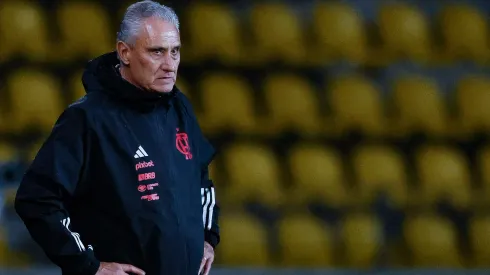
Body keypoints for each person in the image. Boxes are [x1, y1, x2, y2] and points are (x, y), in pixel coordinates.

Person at [14, 1, 220, 275]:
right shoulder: (87, 118)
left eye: (175, 51)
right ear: (124, 52)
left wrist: (208, 236)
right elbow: (37, 199)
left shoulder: (179, 107)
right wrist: (90, 266)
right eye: (157, 51)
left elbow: (201, 178)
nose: (170, 65)